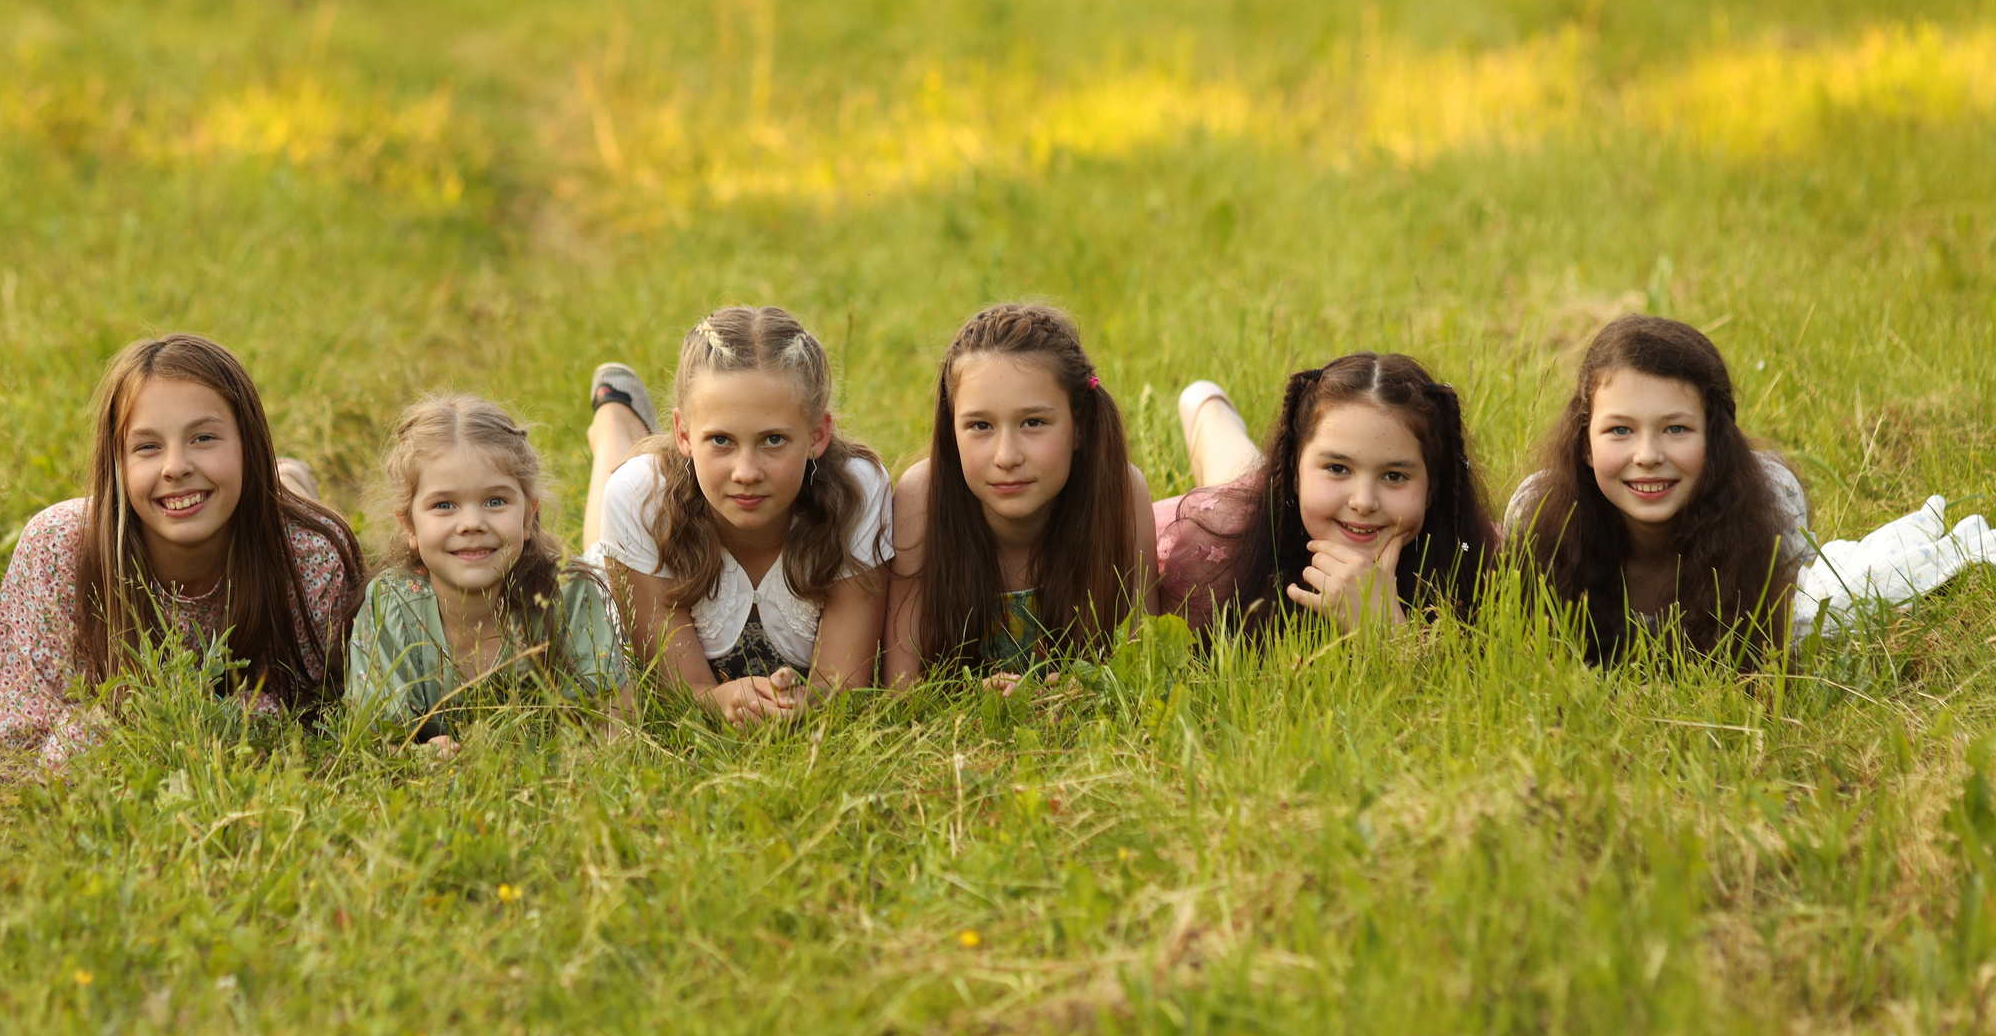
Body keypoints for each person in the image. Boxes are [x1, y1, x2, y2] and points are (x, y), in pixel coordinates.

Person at [0, 333, 362, 769]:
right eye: (147, 446)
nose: (176, 466)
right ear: (117, 465)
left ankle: (287, 481)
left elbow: (324, 721)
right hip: (209, 502)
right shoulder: (56, 549)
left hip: (261, 518)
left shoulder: (310, 556)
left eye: (203, 438)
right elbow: (23, 744)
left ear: (250, 445)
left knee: (275, 505)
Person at [580, 306, 892, 726]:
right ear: (684, 435)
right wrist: (716, 700)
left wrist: (806, 707)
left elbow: (842, 688)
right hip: (640, 513)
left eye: (774, 439)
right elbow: (681, 691)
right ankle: (614, 421)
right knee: (619, 493)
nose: (747, 473)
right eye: (721, 440)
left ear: (818, 435)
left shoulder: (858, 493)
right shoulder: (640, 499)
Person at [883, 302, 1157, 688]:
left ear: (1079, 427)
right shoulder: (922, 499)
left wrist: (1083, 693)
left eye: (1033, 422)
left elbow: (1145, 664)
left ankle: (1203, 407)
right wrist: (972, 699)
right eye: (980, 425)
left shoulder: (1121, 493)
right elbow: (900, 686)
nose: (1006, 457)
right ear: (951, 431)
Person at [1510, 315, 1814, 661]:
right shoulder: (1539, 514)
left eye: (1676, 429)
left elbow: (1780, 653)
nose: (1648, 456)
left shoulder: (1772, 501)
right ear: (1586, 446)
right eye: (1620, 430)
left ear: (1715, 439)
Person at [346, 394, 631, 749]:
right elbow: (373, 743)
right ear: (409, 526)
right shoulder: (392, 605)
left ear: (528, 515)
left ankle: (614, 423)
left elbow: (615, 720)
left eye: (495, 501)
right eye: (444, 505)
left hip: (604, 586)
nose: (471, 524)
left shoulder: (568, 592)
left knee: (612, 529)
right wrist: (417, 759)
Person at [1156, 353, 1496, 635]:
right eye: (1337, 468)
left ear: (1432, 487)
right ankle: (1204, 403)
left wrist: (1387, 629)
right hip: (1256, 511)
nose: (1363, 502)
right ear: (1293, 470)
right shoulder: (1216, 558)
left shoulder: (1483, 567)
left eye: (1394, 476)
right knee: (1234, 467)